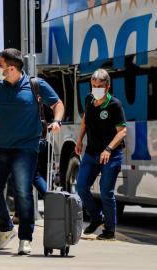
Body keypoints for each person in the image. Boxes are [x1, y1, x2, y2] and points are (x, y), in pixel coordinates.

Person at [0, 48, 64, 255]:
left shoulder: (35, 85)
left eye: (0, 65)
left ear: (11, 68)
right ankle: (6, 228)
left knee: (23, 193)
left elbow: (57, 104)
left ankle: (25, 238)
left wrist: (57, 121)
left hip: (26, 147)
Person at [75, 69, 127, 240]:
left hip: (111, 155)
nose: (96, 89)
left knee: (106, 192)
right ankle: (96, 218)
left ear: (108, 86)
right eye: (94, 85)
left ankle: (109, 230)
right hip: (91, 153)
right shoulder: (89, 99)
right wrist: (79, 140)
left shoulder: (115, 105)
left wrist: (108, 149)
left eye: (100, 86)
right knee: (81, 186)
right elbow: (85, 120)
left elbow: (122, 132)